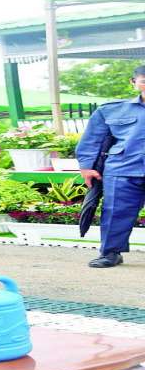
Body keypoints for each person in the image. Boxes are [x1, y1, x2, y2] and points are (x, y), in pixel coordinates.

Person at [76, 65, 145, 269]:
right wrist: (86, 167)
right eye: (144, 81)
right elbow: (92, 140)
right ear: (133, 82)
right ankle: (110, 253)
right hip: (122, 169)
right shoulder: (111, 109)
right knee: (115, 212)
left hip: (124, 169)